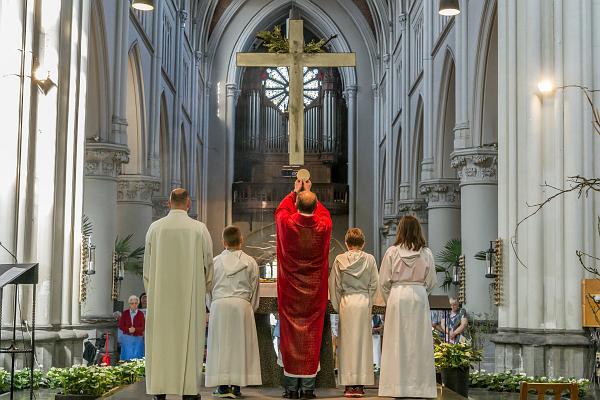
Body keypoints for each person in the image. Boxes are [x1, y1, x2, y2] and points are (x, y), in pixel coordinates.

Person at [143, 188, 214, 400]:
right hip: (190, 299)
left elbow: (147, 269)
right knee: (189, 342)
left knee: (161, 342)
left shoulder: (155, 229)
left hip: (160, 298)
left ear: (168, 203)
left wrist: (153, 292)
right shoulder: (199, 229)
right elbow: (208, 264)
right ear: (188, 203)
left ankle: (160, 390)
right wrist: (204, 289)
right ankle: (189, 392)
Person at [275, 178, 332, 399]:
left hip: (291, 291)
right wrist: (309, 191)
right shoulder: (324, 225)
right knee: (311, 336)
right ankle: (308, 389)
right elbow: (324, 214)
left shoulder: (287, 224)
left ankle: (290, 388)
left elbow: (280, 211)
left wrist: (294, 192)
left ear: (297, 205)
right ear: (315, 206)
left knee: (290, 336)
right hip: (314, 292)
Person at [378, 215, 438, 399]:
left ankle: (395, 386)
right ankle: (420, 388)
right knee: (419, 342)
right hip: (418, 296)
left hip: (397, 296)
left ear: (401, 230)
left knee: (397, 341)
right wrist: (419, 291)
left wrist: (392, 297)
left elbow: (383, 281)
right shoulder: (426, 253)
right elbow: (432, 281)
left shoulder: (392, 252)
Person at [205, 225, 262, 398]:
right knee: (239, 345)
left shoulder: (214, 263)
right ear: (241, 240)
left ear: (223, 242)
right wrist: (249, 308)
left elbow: (207, 288)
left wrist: (212, 305)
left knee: (220, 345)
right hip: (241, 305)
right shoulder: (250, 262)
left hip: (219, 305)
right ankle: (237, 386)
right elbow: (255, 288)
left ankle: (222, 386)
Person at [329, 228, 379, 398]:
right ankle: (360, 385)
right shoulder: (370, 259)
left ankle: (348, 385)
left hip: (347, 302)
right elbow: (374, 285)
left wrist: (337, 305)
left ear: (346, 243)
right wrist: (369, 303)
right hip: (363, 301)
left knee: (347, 345)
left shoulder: (339, 259)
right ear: (363, 243)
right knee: (363, 344)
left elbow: (334, 285)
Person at [118, 295, 145, 360]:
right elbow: (121, 325)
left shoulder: (141, 314)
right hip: (127, 338)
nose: (134, 305)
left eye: (136, 303)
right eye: (132, 303)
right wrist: (128, 329)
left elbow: (142, 327)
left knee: (137, 355)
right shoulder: (125, 313)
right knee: (127, 355)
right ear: (129, 304)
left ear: (138, 304)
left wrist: (135, 329)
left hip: (138, 338)